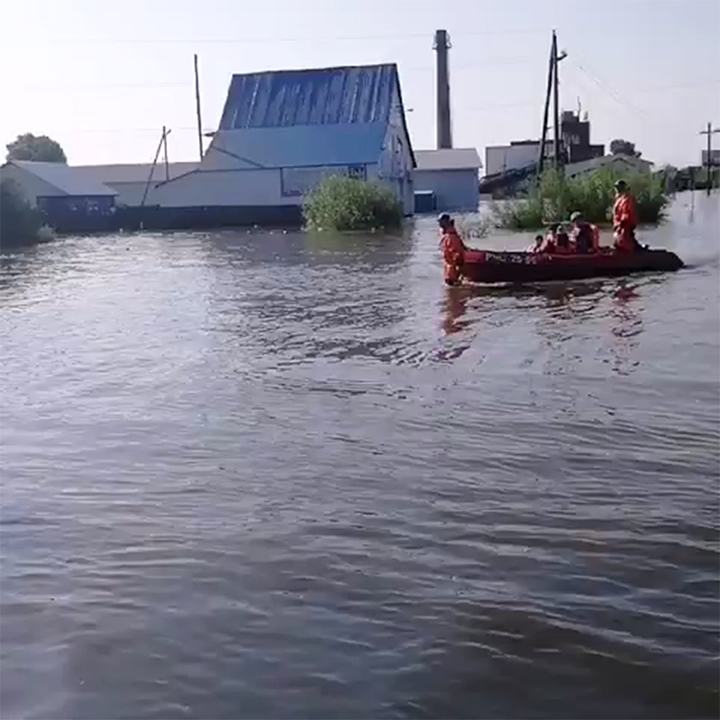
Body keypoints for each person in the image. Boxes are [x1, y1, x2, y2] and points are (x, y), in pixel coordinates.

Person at [438, 213, 467, 286]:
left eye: (441, 221)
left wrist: (457, 272)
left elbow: (458, 254)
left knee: (453, 293)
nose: (439, 223)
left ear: (446, 222)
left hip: (452, 274)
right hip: (449, 272)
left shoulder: (451, 237)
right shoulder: (447, 235)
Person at [612, 179, 640, 252]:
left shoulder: (628, 199)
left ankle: (634, 252)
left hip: (625, 224)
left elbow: (627, 212)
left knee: (625, 242)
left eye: (619, 187)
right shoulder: (619, 198)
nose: (617, 189)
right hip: (619, 225)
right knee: (619, 240)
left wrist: (622, 223)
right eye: (616, 187)